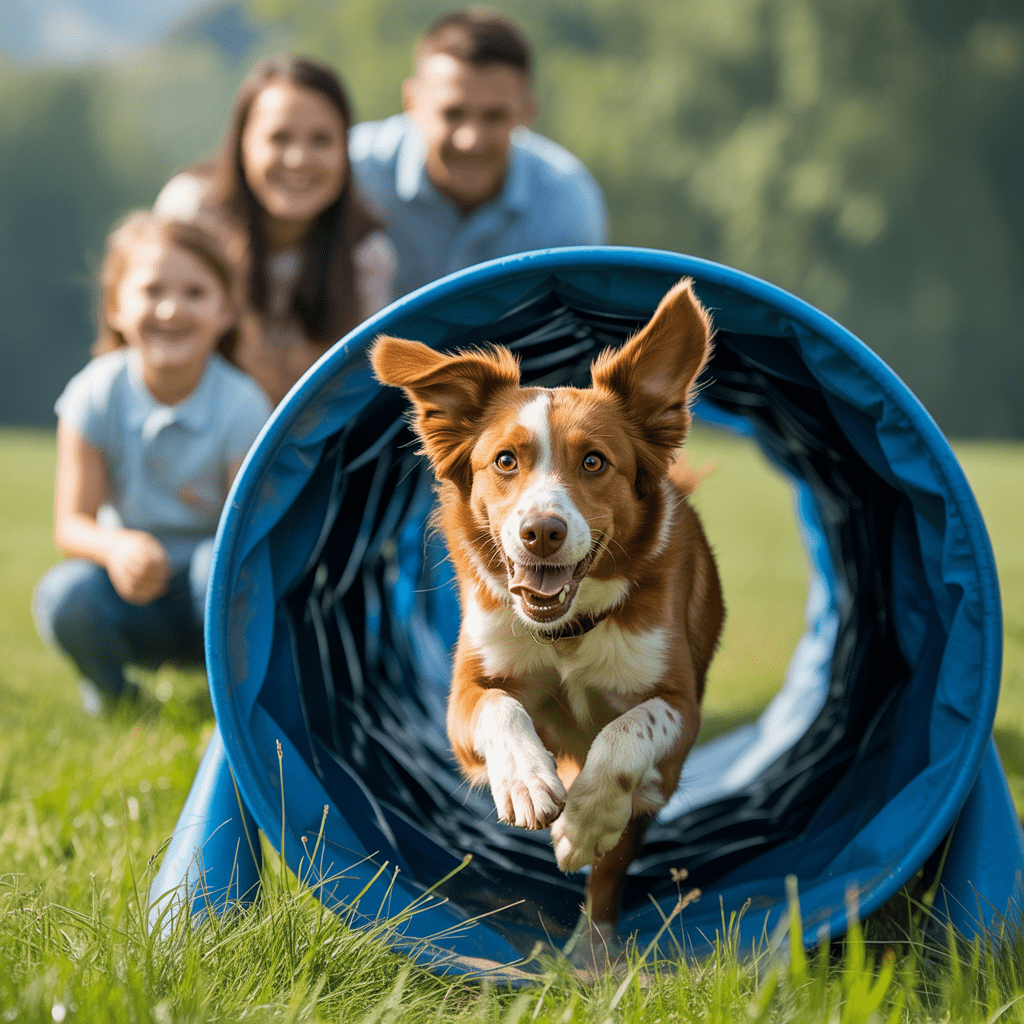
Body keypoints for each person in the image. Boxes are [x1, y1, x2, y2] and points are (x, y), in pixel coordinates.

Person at [32, 212, 272, 714]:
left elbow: (251, 528)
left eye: (194, 293)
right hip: (128, 594)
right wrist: (116, 547)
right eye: (151, 290)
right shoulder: (94, 395)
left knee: (217, 564)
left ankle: (228, 701)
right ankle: (116, 697)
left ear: (226, 311)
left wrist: (217, 573)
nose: (170, 309)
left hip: (213, 599)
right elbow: (71, 524)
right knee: (63, 596)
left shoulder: (241, 404)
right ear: (116, 307)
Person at [155, 56, 396, 405]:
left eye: (321, 140)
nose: (298, 158)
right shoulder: (192, 213)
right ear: (242, 145)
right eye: (278, 138)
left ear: (346, 150)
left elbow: (365, 385)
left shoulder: (368, 254)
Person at [349, 7, 607, 297]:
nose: (470, 140)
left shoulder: (565, 201)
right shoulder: (354, 171)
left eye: (494, 116)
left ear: (527, 113)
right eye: (453, 113)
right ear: (412, 101)